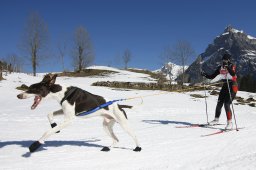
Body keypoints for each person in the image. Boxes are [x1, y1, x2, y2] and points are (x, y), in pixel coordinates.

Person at [201, 53, 238, 130]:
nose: (224, 61)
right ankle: (216, 119)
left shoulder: (232, 66)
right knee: (219, 102)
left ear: (229, 60)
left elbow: (233, 74)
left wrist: (228, 67)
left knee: (226, 104)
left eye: (226, 60)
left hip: (232, 85)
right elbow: (212, 76)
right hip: (225, 85)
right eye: (223, 60)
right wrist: (205, 75)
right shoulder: (220, 68)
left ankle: (230, 123)